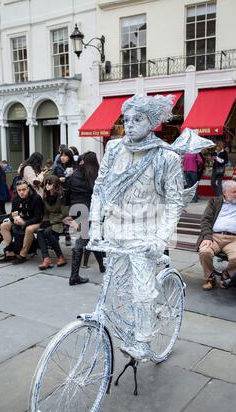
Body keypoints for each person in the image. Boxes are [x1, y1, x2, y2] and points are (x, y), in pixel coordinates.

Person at [88, 94, 184, 361]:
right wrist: (95, 225)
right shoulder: (114, 148)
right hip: (116, 232)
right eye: (126, 119)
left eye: (137, 119)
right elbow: (100, 188)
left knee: (142, 293)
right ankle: (135, 324)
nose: (129, 124)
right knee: (118, 288)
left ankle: (143, 342)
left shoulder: (166, 157)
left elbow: (175, 203)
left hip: (145, 236)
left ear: (151, 122)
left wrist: (160, 239)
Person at [198, 180, 236, 291]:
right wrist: (207, 237)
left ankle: (227, 273)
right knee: (204, 251)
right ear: (225, 192)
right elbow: (205, 220)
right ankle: (210, 277)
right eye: (234, 192)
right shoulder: (214, 202)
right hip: (215, 237)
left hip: (235, 239)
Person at [67, 151, 105, 285]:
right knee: (82, 241)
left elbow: (68, 192)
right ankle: (74, 276)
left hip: (77, 210)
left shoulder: (74, 175)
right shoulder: (96, 176)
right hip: (89, 211)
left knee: (92, 237)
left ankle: (102, 266)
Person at [0, 179, 43, 264]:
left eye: (24, 189)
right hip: (21, 220)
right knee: (4, 226)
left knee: (28, 229)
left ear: (28, 189)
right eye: (19, 190)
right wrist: (13, 217)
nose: (21, 192)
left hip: (36, 222)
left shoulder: (36, 198)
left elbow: (38, 217)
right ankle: (10, 253)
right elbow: (12, 214)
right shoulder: (16, 199)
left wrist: (24, 223)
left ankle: (23, 255)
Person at [37, 175, 68, 270]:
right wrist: (45, 221)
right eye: (46, 183)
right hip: (49, 221)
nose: (47, 185)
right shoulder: (46, 195)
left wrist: (51, 222)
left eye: (49, 183)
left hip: (61, 221)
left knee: (47, 232)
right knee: (40, 231)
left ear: (56, 184)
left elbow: (65, 213)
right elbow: (45, 213)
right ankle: (46, 258)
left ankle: (60, 257)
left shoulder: (62, 195)